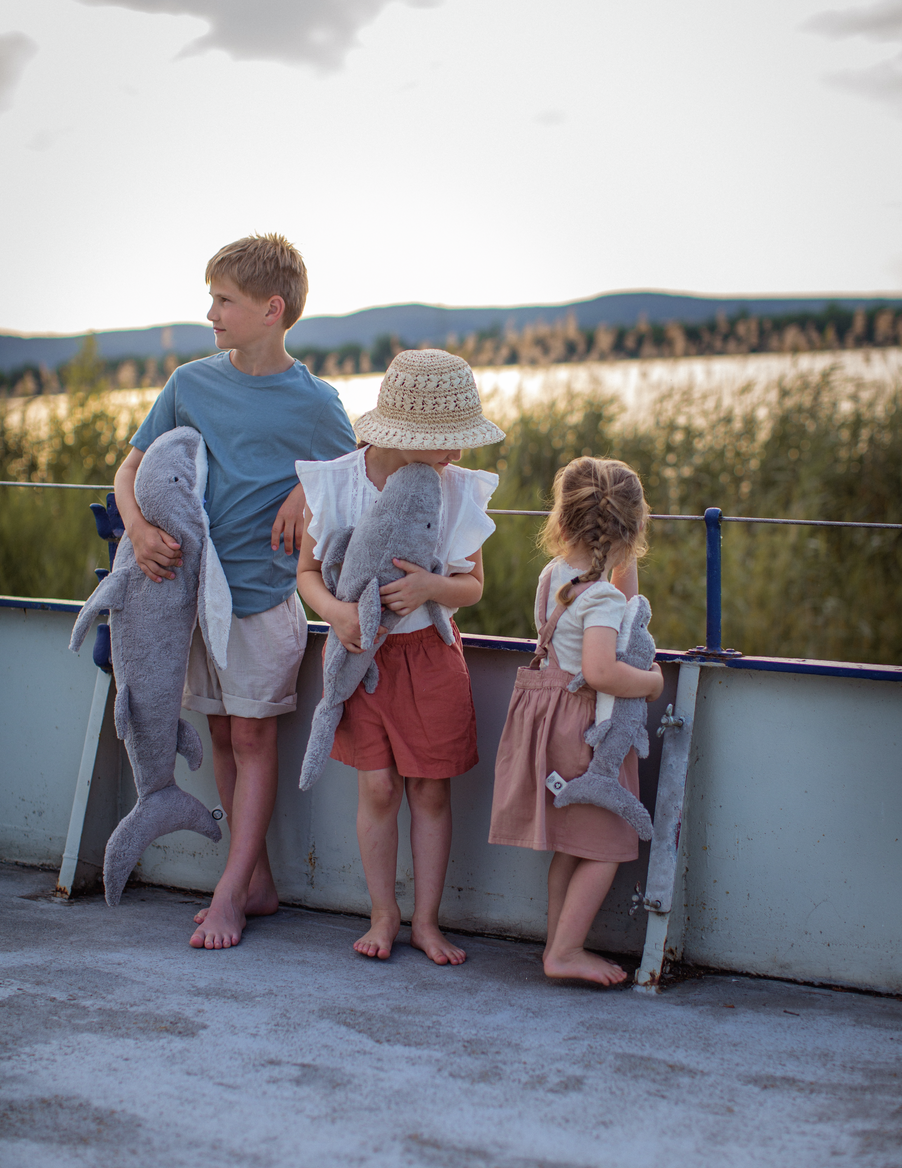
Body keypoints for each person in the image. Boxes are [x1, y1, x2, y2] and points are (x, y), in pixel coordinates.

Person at [114, 233, 357, 949]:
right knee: (222, 735)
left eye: (224, 300)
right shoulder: (189, 384)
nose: (211, 313)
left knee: (252, 738)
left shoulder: (316, 401)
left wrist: (303, 492)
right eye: (213, 298)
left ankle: (228, 893)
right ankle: (255, 883)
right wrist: (135, 528)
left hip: (265, 601)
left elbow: (353, 474)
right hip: (196, 605)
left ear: (271, 310)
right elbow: (129, 471)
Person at [296, 349, 504, 965]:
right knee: (380, 789)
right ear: (404, 434)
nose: (457, 456)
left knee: (431, 793)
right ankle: (383, 914)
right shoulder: (337, 483)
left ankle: (427, 923)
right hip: (363, 661)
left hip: (430, 658)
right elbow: (307, 573)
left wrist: (429, 589)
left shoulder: (455, 491)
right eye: (446, 442)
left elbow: (473, 586)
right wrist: (336, 615)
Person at [488, 457, 664, 986]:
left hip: (548, 719)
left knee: (573, 841)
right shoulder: (602, 597)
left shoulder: (555, 576)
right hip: (585, 731)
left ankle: (557, 942)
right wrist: (653, 683)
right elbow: (601, 670)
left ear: (561, 522)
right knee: (607, 845)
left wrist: (619, 560)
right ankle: (564, 952)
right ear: (631, 531)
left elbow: (621, 608)